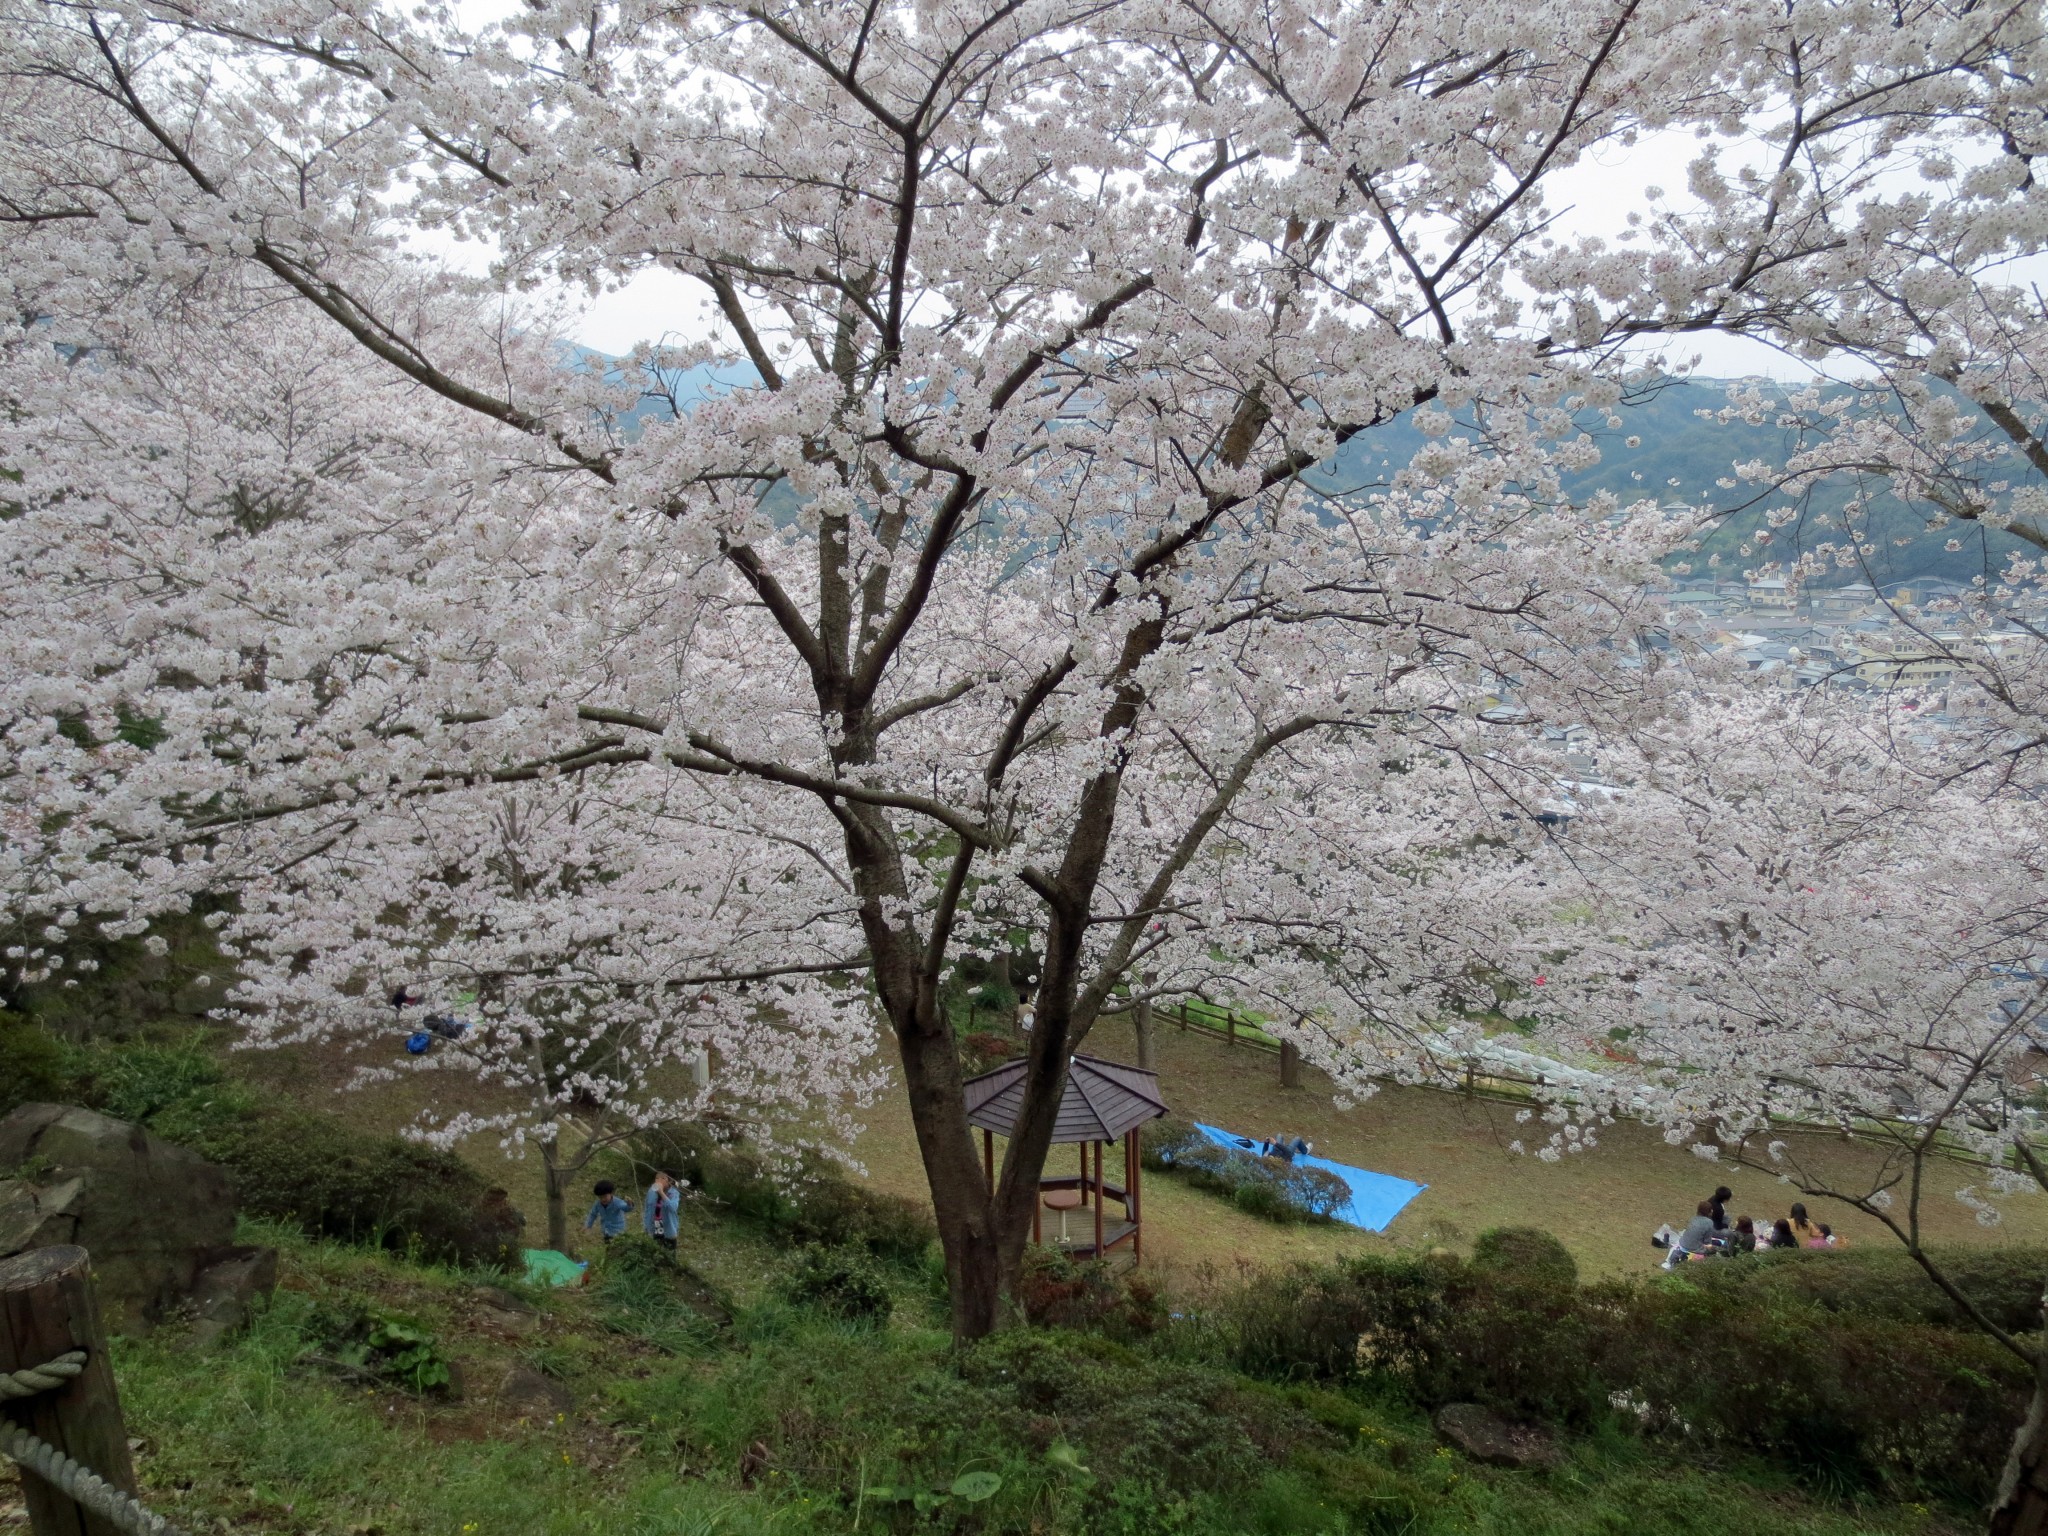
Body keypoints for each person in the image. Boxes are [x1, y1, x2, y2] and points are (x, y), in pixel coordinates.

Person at [1666, 1200, 1716, 1265]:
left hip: (1682, 1244)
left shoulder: (1693, 1218)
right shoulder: (1709, 1222)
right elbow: (1707, 1242)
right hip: (1695, 1249)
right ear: (1710, 1211)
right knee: (1714, 1249)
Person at [644, 1170, 681, 1253]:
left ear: (670, 1181)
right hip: (654, 1228)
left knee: (669, 1257)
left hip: (668, 1229)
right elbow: (647, 1208)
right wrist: (646, 1226)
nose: (658, 1181)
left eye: (663, 1178)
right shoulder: (651, 1191)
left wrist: (661, 1193)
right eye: (656, 1178)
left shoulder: (674, 1193)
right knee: (654, 1254)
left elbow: (673, 1208)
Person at [584, 1179, 631, 1243]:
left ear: (611, 1194)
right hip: (606, 1231)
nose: (603, 1199)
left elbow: (626, 1208)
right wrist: (588, 1226)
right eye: (600, 1197)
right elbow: (593, 1214)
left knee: (618, 1247)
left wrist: (629, 1204)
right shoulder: (598, 1204)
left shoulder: (617, 1202)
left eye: (605, 1196)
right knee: (608, 1247)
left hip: (618, 1232)